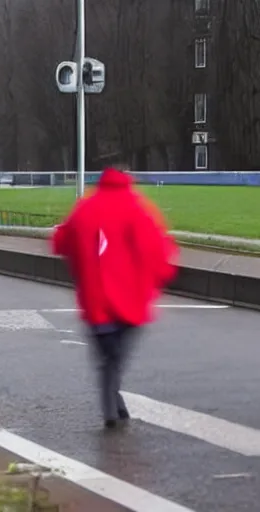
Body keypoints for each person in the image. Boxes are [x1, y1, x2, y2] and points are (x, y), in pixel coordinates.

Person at [51, 165, 179, 428]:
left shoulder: (85, 207)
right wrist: (161, 276)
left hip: (95, 300)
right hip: (132, 301)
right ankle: (113, 408)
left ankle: (113, 406)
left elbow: (60, 242)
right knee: (116, 358)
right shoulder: (138, 208)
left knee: (108, 357)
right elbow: (157, 250)